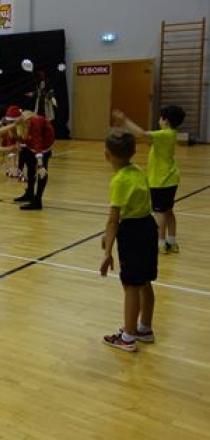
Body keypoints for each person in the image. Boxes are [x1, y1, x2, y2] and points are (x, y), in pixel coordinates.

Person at [99, 128, 158, 352]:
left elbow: (114, 220)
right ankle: (145, 328)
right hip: (148, 227)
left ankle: (128, 337)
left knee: (131, 285)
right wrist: (108, 236)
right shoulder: (139, 171)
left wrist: (107, 252)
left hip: (132, 233)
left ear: (107, 155)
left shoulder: (119, 181)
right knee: (145, 281)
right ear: (133, 152)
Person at [113, 106, 185, 254]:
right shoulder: (170, 135)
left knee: (160, 213)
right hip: (171, 180)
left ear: (165, 120)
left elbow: (141, 134)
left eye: (160, 118)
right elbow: (148, 139)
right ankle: (172, 242)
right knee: (169, 212)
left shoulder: (164, 134)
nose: (159, 121)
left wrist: (125, 121)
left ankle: (160, 243)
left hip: (161, 181)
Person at [13, 110, 55, 210]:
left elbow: (38, 142)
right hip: (31, 144)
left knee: (42, 172)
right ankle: (30, 193)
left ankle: (37, 201)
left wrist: (40, 165)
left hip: (44, 144)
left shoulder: (35, 122)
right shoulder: (20, 124)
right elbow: (19, 137)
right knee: (30, 167)